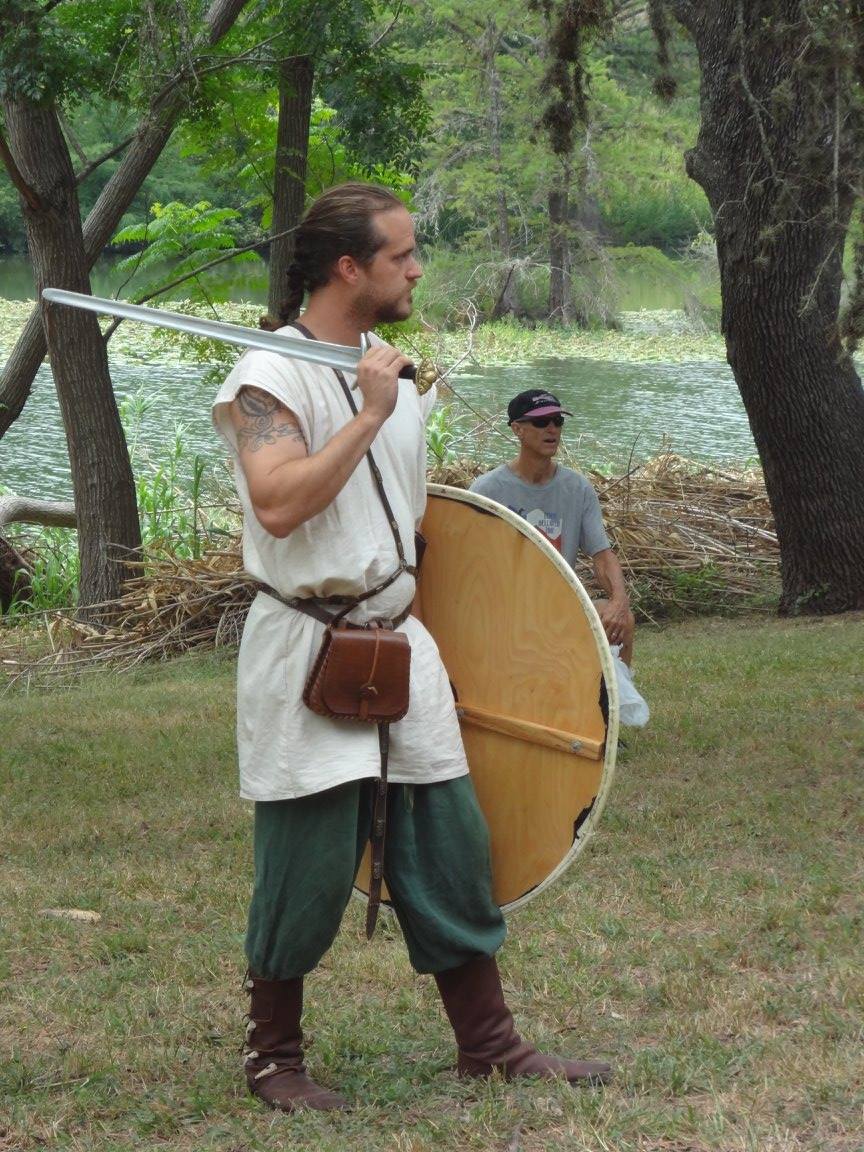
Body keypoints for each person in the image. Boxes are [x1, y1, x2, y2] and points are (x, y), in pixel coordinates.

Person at [212, 184, 611, 1113]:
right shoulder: (265, 383)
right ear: (349, 267)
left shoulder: (388, 373)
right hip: (308, 646)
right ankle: (274, 1057)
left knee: (448, 842)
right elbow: (278, 503)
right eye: (402, 255)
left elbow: (417, 529)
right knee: (305, 863)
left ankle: (491, 1045)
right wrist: (365, 410)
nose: (417, 269)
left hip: (402, 643)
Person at [470, 389, 636, 665]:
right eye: (541, 422)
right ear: (517, 430)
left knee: (624, 620)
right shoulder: (487, 490)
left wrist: (619, 600)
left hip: (561, 607)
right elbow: (471, 561)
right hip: (503, 610)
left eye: (557, 421)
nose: (552, 429)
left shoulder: (577, 488)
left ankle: (611, 703)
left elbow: (603, 556)